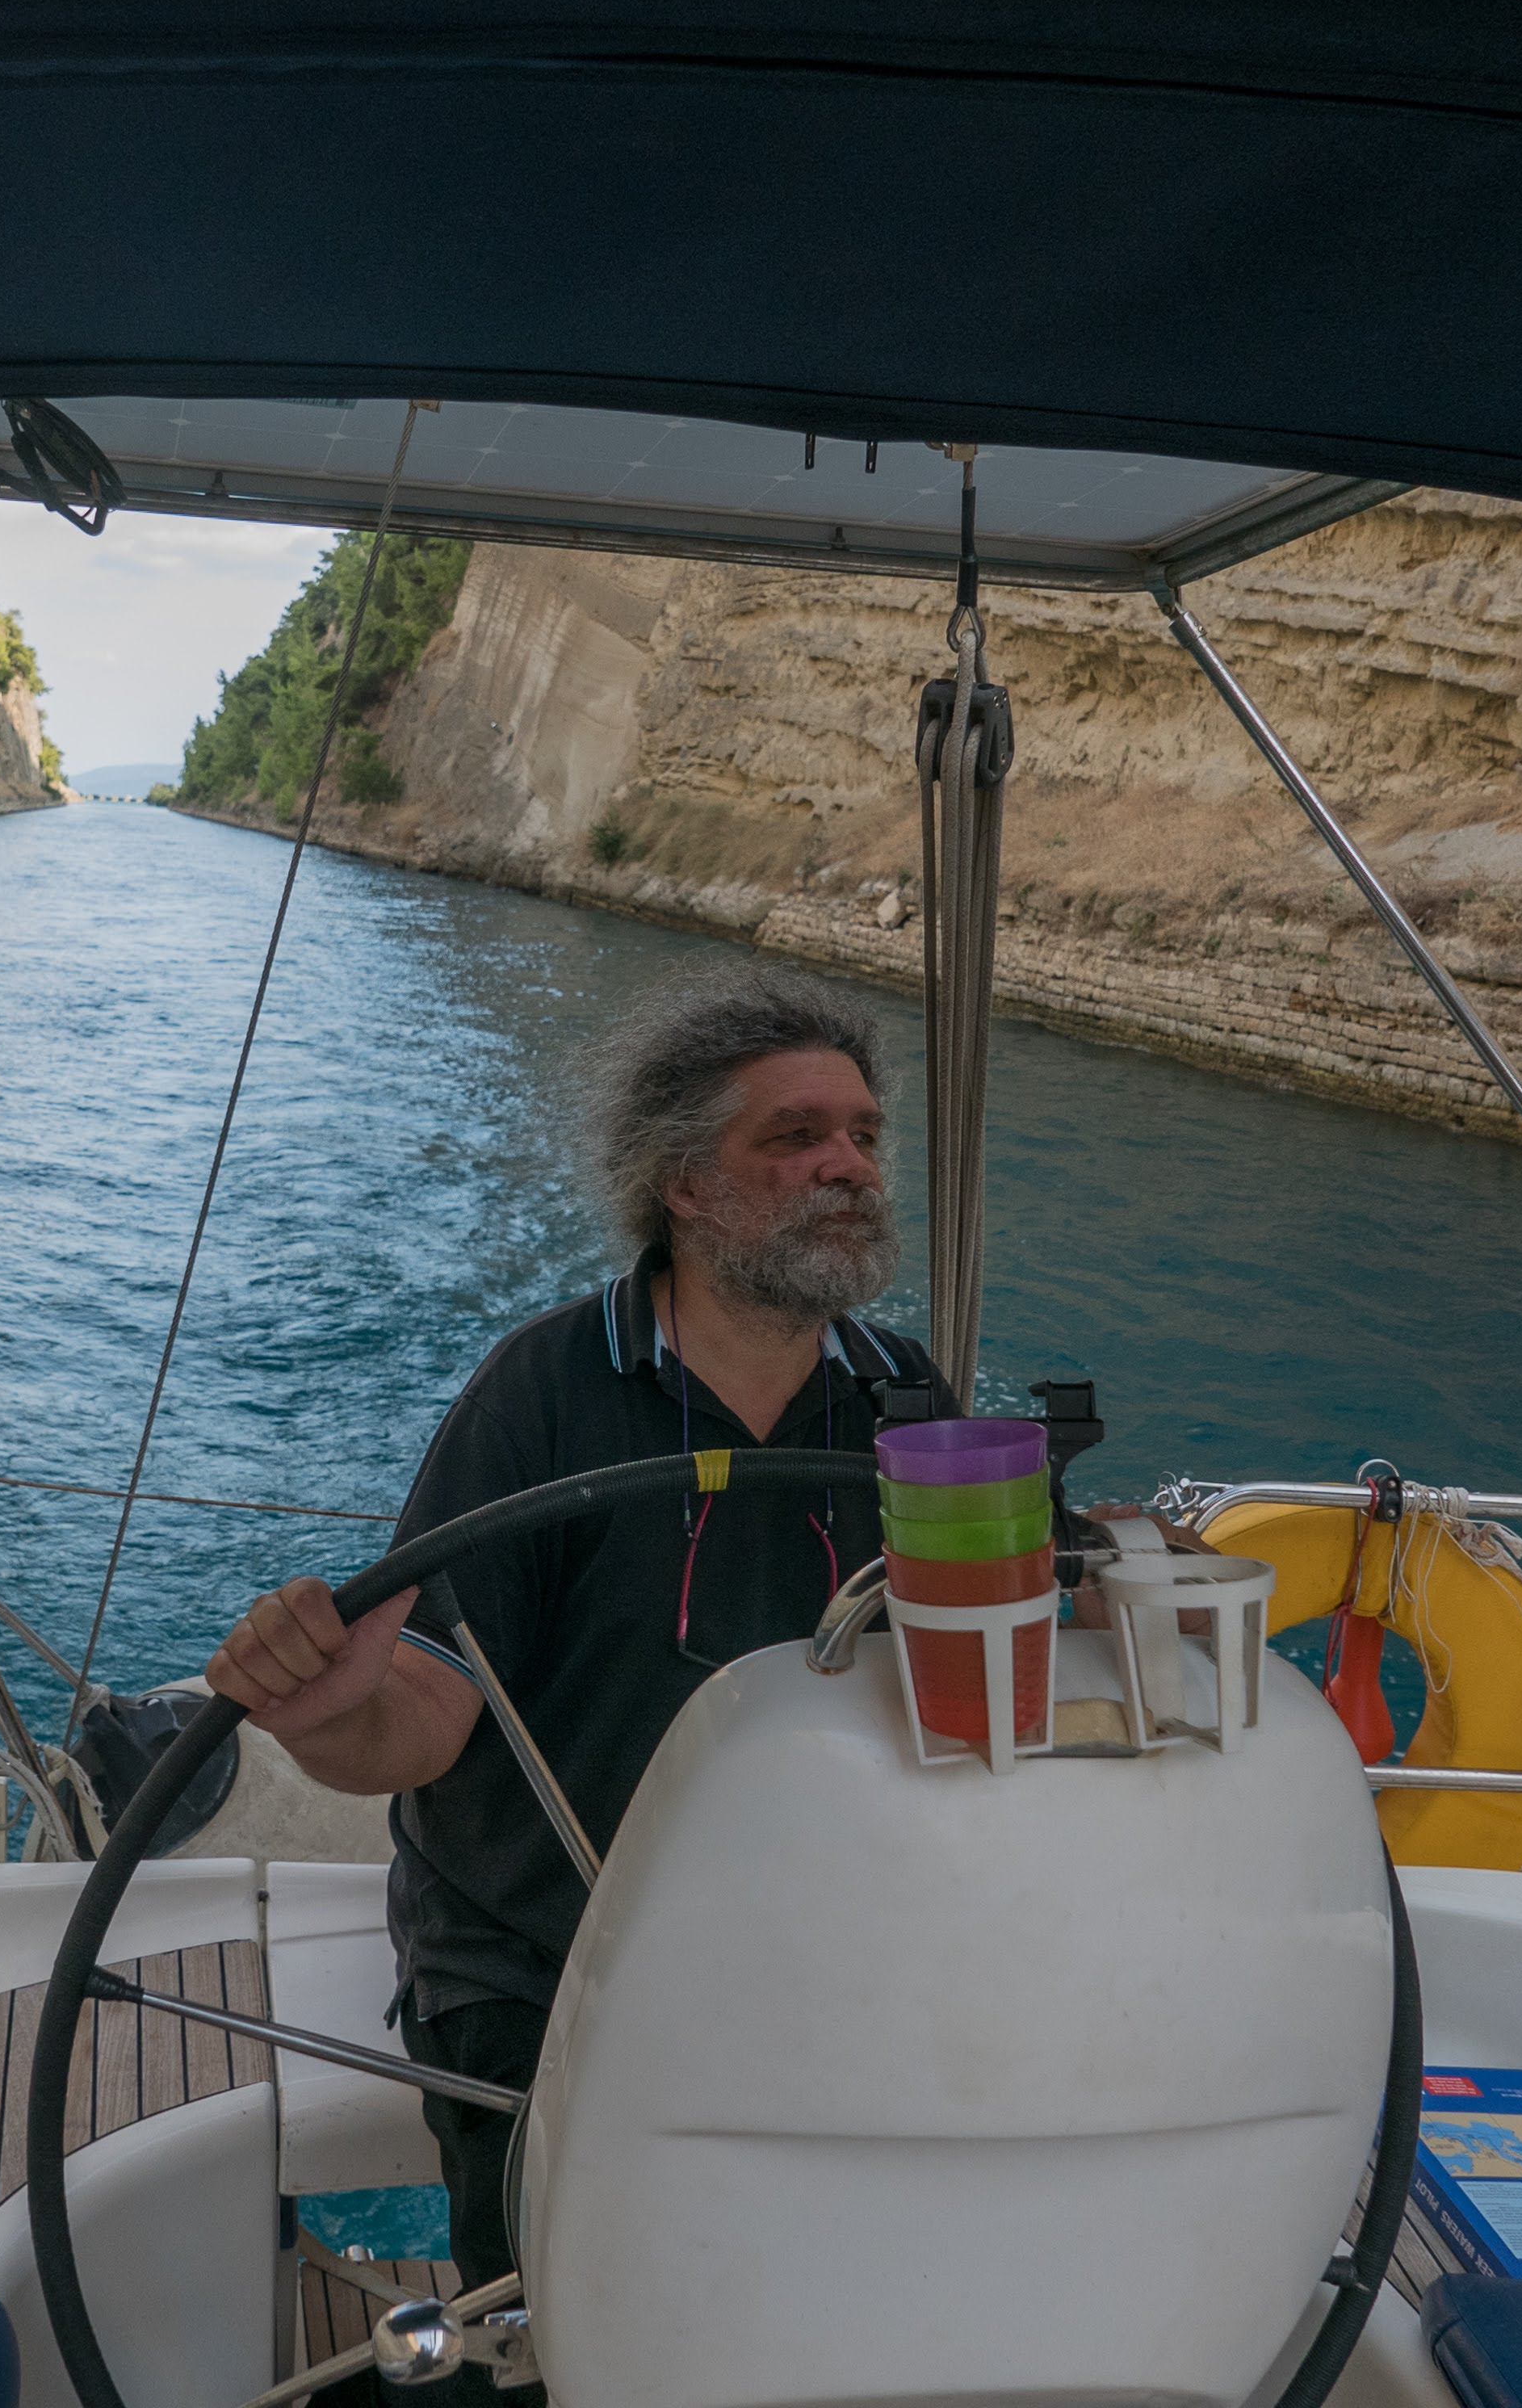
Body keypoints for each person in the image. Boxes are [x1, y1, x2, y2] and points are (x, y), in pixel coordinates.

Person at [203, 962, 954, 2314]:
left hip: (820, 1940)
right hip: (542, 1969)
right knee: (572, 2321)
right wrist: (327, 1718)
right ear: (685, 1184)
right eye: (794, 1137)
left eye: (861, 1134)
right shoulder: (546, 1394)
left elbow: (983, 1666)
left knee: (833, 2295)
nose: (847, 1165)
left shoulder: (907, 1397)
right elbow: (426, 1714)